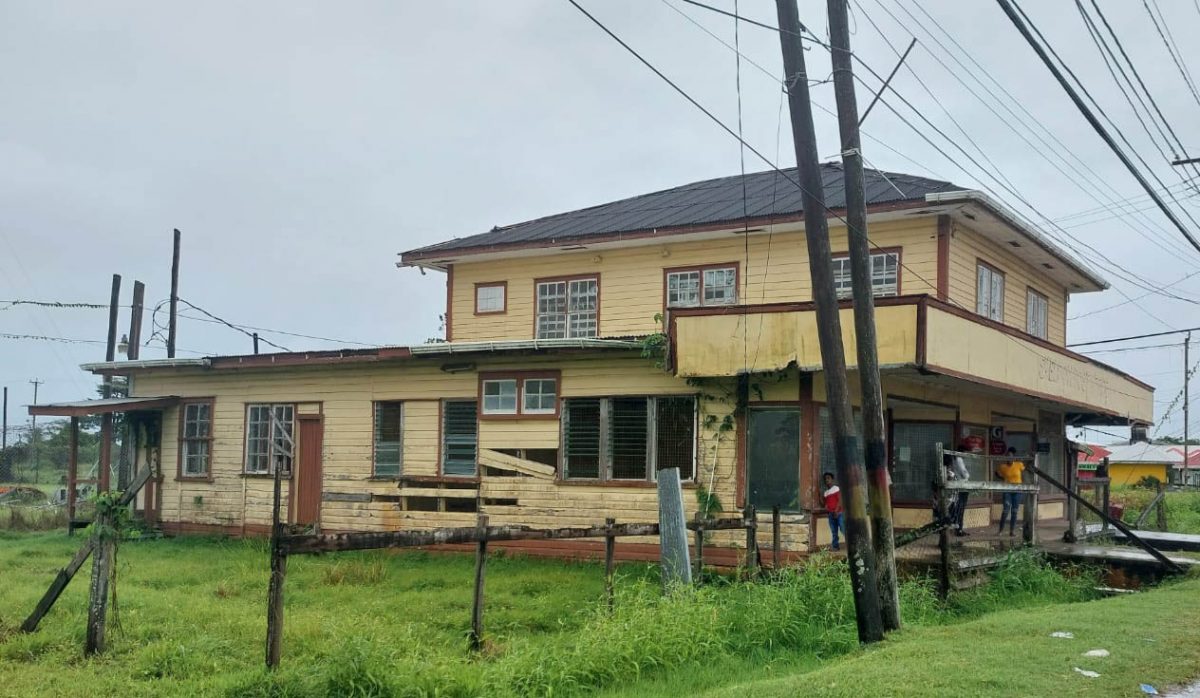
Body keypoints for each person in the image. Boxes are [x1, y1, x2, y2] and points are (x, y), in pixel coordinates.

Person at [995, 447, 1025, 536]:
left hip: (1018, 491)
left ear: (1014, 457)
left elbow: (1026, 471)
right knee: (1005, 510)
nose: (1009, 458)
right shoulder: (1002, 467)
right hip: (1007, 491)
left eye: (1011, 456)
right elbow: (996, 473)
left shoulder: (1019, 464)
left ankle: (1012, 531)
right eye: (1007, 456)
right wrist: (1003, 478)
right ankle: (1000, 531)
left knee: (1015, 511)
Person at [944, 450, 971, 536]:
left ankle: (954, 530)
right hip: (955, 495)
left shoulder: (946, 470)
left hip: (949, 497)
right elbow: (965, 475)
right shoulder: (958, 461)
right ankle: (958, 530)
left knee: (953, 512)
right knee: (958, 510)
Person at [822, 472, 846, 551]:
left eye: (828, 478)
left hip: (839, 513)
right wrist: (819, 495)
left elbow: (840, 500)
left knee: (843, 529)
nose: (827, 480)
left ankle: (851, 544)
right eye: (825, 479)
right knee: (834, 531)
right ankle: (835, 546)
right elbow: (825, 504)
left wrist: (836, 511)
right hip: (831, 514)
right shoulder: (826, 493)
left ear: (832, 479)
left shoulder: (836, 488)